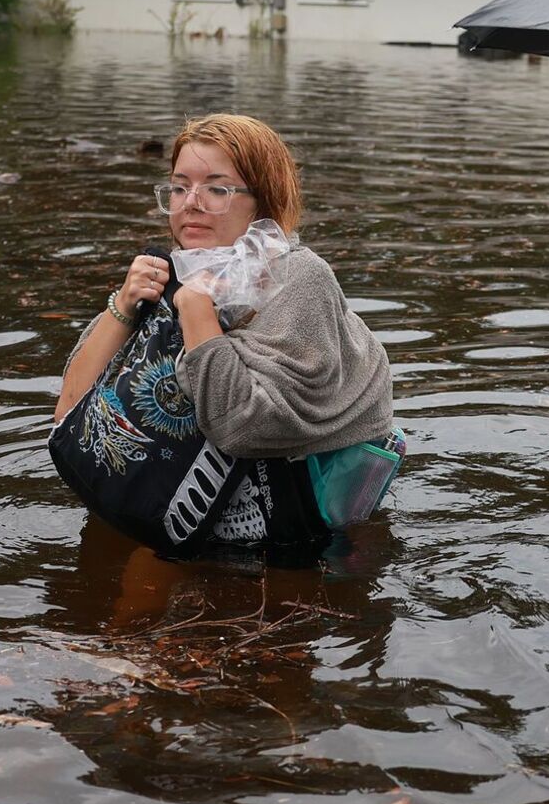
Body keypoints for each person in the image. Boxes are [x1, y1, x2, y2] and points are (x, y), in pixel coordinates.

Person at [54, 113, 394, 552]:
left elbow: (245, 429)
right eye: (179, 187)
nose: (190, 202)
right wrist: (122, 307)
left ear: (262, 201)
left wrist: (197, 313)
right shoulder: (171, 272)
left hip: (290, 536)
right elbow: (69, 414)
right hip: (174, 511)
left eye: (217, 188)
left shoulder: (299, 278)